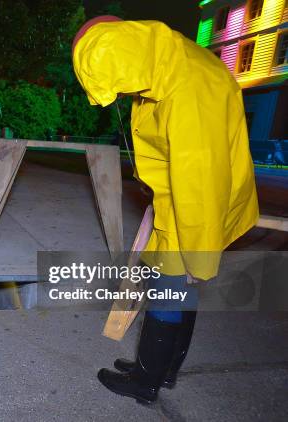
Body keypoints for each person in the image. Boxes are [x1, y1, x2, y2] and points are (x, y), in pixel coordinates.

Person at [71, 16, 259, 404]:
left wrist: (198, 255)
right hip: (177, 199)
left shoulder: (187, 88)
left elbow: (201, 181)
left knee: (170, 288)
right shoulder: (163, 60)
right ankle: (163, 369)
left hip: (195, 208)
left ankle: (146, 382)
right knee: (174, 288)